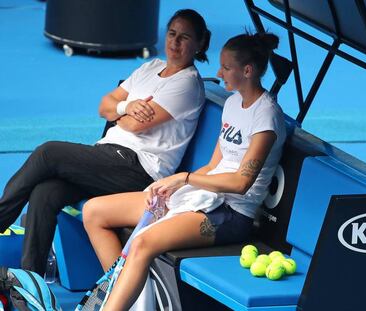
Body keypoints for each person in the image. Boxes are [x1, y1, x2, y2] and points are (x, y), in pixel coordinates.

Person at [83, 31, 287, 310]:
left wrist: (186, 178)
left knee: (143, 242)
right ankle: (133, 300)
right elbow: (214, 165)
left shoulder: (266, 116)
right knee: (95, 211)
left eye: (226, 67)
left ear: (248, 70)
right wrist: (175, 186)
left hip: (230, 214)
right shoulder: (232, 104)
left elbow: (241, 183)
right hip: (201, 196)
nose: (218, 72)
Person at [0, 9, 211, 276]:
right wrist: (126, 106)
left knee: (47, 153)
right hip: (108, 158)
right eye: (171, 34)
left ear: (200, 44)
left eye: (184, 37)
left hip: (138, 170)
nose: (175, 43)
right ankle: (31, 282)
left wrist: (119, 113)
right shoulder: (151, 67)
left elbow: (132, 124)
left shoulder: (187, 84)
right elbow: (104, 105)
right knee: (45, 193)